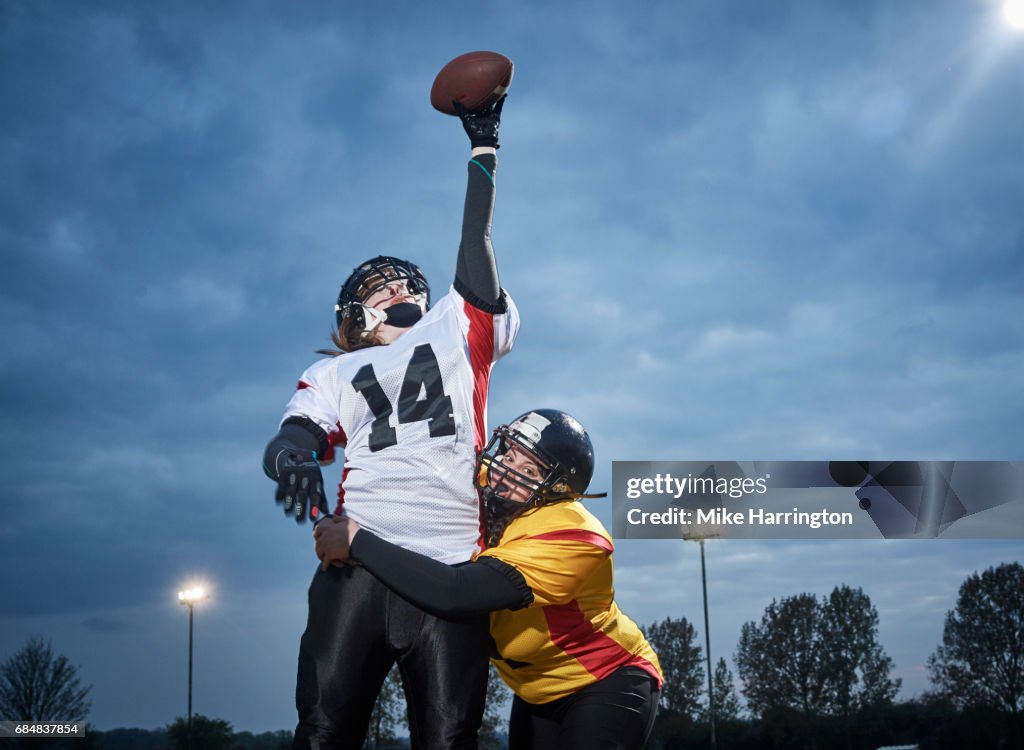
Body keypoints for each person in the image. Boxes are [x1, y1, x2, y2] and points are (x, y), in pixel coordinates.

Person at [261, 97, 519, 750]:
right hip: (358, 561)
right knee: (322, 732)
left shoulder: (459, 327)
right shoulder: (333, 374)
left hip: (451, 563)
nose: (396, 288)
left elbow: (474, 247)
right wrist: (290, 459)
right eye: (378, 287)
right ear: (353, 319)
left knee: (448, 736)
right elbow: (298, 435)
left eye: (404, 283)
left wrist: (482, 148)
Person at [315, 409, 663, 750]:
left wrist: (357, 541)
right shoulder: (482, 491)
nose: (506, 473)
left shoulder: (573, 536)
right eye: (509, 455)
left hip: (606, 679)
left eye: (529, 469)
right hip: (533, 688)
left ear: (556, 490)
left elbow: (456, 592)